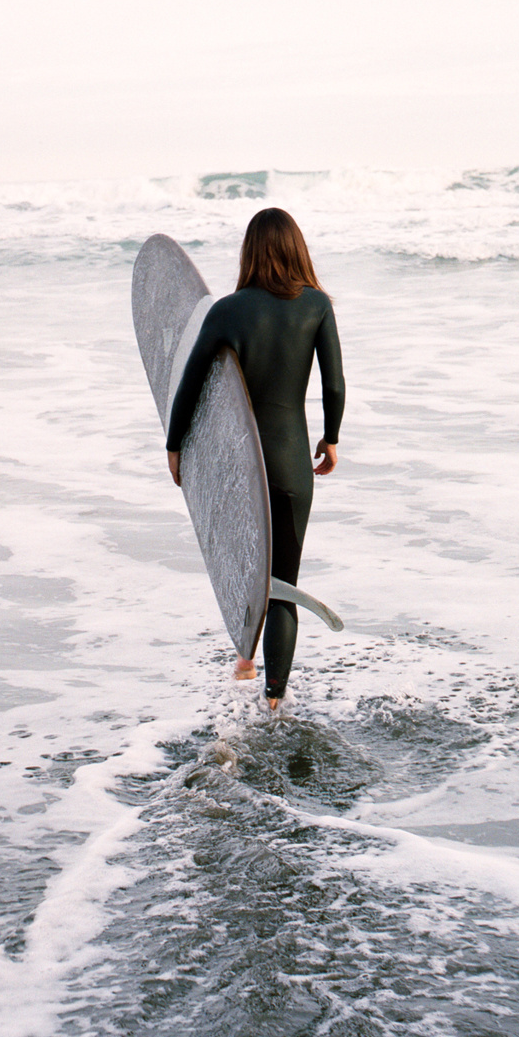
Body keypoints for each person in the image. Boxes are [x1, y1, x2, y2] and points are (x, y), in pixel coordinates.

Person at [165, 208, 345, 710]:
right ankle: (274, 700)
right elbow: (333, 383)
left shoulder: (227, 311)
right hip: (290, 469)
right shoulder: (317, 307)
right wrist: (330, 439)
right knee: (282, 583)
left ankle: (244, 658)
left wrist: (175, 446)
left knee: (243, 565)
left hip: (241, 471)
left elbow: (190, 385)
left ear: (250, 251)